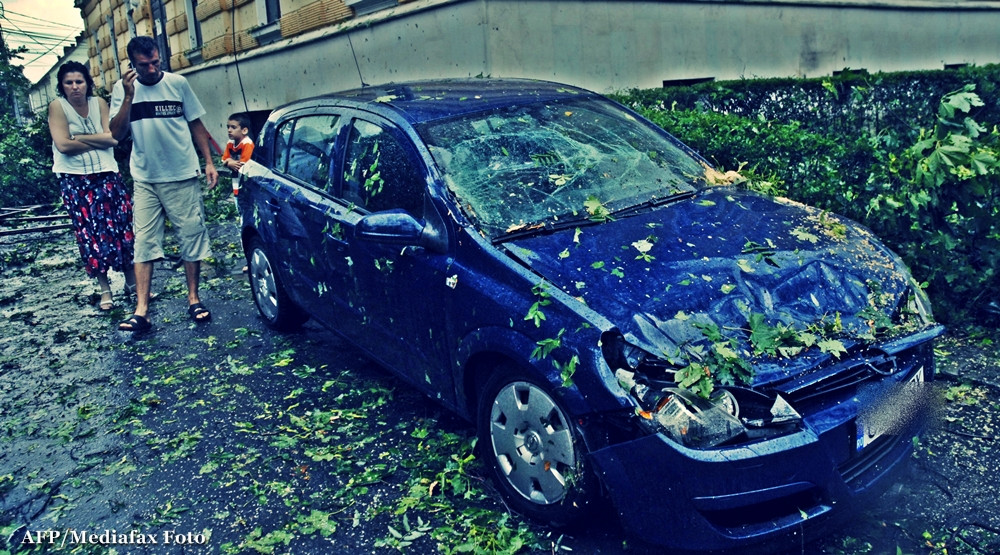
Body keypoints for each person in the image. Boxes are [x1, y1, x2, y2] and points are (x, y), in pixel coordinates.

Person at [110, 36, 219, 332]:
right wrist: (130, 96)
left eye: (155, 62)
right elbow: (117, 134)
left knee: (190, 236)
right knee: (143, 242)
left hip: (182, 173)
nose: (151, 68)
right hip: (145, 178)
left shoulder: (178, 83)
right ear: (133, 64)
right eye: (144, 65)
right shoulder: (123, 90)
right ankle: (141, 311)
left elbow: (196, 123)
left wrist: (209, 162)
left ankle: (194, 299)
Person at [48, 61, 136, 312]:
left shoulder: (99, 103)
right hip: (75, 180)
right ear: (62, 86)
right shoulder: (58, 106)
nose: (75, 87)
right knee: (90, 235)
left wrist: (79, 138)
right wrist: (100, 140)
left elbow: (114, 137)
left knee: (121, 229)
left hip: (107, 175)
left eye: (79, 81)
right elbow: (63, 146)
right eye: (69, 82)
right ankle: (105, 290)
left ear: (87, 83)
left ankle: (131, 284)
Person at [221, 112, 254, 177]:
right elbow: (224, 160)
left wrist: (228, 161)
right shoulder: (230, 143)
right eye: (228, 127)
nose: (229, 130)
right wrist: (228, 162)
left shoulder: (247, 143)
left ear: (244, 130)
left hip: (246, 176)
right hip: (235, 175)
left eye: (233, 127)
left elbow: (243, 166)